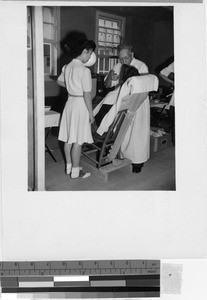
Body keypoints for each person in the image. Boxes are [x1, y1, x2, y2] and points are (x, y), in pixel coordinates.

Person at [104, 43, 149, 173]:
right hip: (123, 103)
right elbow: (107, 85)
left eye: (126, 58)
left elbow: (144, 86)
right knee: (123, 131)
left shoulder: (141, 66)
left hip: (138, 102)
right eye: (121, 58)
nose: (123, 61)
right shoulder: (118, 66)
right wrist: (110, 78)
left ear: (132, 55)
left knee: (137, 133)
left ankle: (138, 162)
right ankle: (123, 157)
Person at [57, 39, 96, 179]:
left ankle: (69, 166)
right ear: (84, 51)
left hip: (70, 103)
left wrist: (70, 86)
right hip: (80, 105)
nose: (90, 57)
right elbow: (87, 95)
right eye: (90, 53)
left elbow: (59, 81)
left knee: (69, 138)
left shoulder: (67, 67)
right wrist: (91, 115)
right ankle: (75, 171)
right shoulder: (84, 70)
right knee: (78, 141)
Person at [94, 64, 140, 128]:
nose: (119, 76)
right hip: (113, 121)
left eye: (121, 74)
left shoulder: (120, 92)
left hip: (103, 123)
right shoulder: (129, 89)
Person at [159, 61, 175, 145]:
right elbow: (162, 73)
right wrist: (173, 82)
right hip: (176, 102)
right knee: (176, 127)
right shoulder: (178, 61)